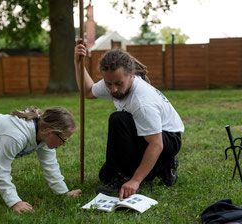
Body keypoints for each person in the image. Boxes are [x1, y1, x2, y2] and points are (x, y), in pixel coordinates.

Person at [74, 39, 184, 200]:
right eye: (108, 83)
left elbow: (156, 144)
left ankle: (162, 163)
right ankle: (161, 167)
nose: (113, 89)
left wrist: (135, 180)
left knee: (118, 119)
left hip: (167, 140)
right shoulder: (114, 82)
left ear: (131, 75)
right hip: (148, 136)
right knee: (106, 175)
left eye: (118, 83)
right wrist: (78, 63)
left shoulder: (142, 102)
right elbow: (88, 92)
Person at [0, 106, 82, 213]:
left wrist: (63, 192)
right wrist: (14, 202)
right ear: (49, 131)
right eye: (63, 139)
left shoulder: (44, 139)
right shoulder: (15, 136)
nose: (64, 144)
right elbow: (1, 172)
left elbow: (51, 167)